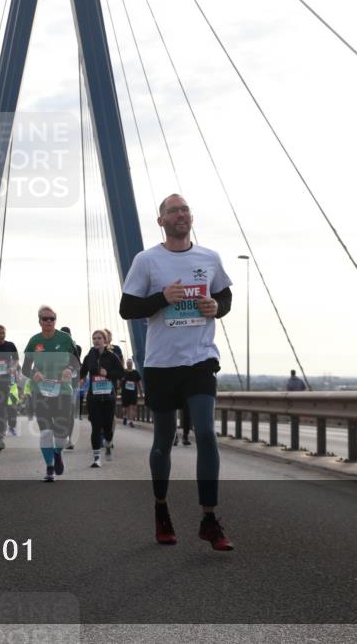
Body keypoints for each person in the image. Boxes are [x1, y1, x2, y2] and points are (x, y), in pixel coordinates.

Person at [120, 193, 235, 551]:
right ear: (161, 221)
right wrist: (162, 298)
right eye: (174, 210)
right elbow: (127, 308)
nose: (181, 214)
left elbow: (225, 298)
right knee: (164, 440)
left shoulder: (209, 258)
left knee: (205, 433)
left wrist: (216, 306)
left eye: (185, 209)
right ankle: (161, 509)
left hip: (199, 359)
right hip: (160, 363)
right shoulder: (146, 260)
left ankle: (209, 519)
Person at [22, 307, 79, 482]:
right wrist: (34, 374)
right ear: (39, 321)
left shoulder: (65, 339)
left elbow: (77, 364)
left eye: (52, 318)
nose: (48, 321)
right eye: (45, 319)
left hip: (62, 391)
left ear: (55, 320)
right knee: (46, 432)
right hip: (40, 392)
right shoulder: (34, 342)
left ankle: (57, 452)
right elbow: (25, 368)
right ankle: (49, 467)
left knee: (60, 431)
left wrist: (69, 370)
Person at [80, 329, 124, 467]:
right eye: (94, 338)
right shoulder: (88, 357)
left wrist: (108, 373)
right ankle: (96, 458)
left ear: (105, 341)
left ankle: (108, 443)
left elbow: (121, 373)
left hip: (108, 397)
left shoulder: (112, 356)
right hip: (93, 398)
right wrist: (78, 379)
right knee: (96, 427)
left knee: (107, 429)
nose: (96, 340)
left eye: (99, 338)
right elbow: (82, 374)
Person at [59, 326, 82, 449]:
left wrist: (70, 369)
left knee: (70, 412)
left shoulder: (76, 348)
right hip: (57, 384)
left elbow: (78, 364)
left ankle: (68, 439)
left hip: (72, 385)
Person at [121, 358, 142, 427]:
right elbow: (119, 381)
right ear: (126, 364)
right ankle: (125, 417)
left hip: (133, 393)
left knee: (132, 407)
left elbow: (139, 382)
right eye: (128, 363)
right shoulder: (123, 372)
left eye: (130, 363)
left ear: (132, 364)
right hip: (125, 393)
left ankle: (131, 422)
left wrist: (141, 391)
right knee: (125, 408)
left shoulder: (136, 372)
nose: (129, 364)